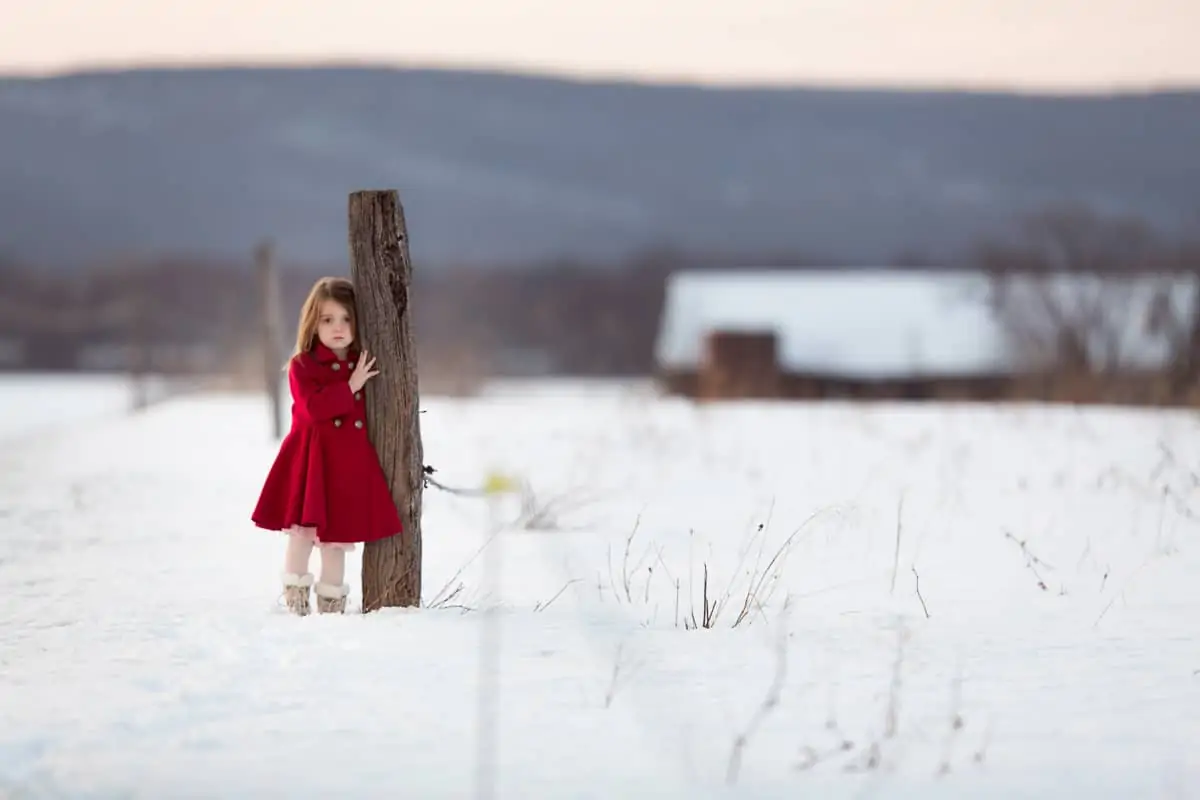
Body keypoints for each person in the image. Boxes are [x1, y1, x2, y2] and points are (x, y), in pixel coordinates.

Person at [251, 276, 404, 615]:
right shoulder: (302, 365)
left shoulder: (362, 363)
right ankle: (295, 598)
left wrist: (356, 380)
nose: (338, 327)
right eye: (328, 319)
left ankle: (332, 604)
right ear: (313, 323)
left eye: (346, 319)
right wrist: (349, 387)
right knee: (303, 533)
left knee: (336, 539)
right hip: (311, 461)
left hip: (347, 465)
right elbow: (313, 409)